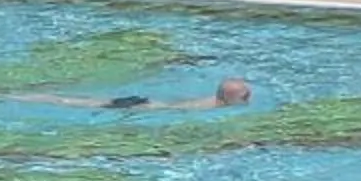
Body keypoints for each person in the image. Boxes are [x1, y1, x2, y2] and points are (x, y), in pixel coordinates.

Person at [20, 78, 254, 112]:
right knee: (74, 103)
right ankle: (27, 97)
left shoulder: (211, 101)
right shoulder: (211, 108)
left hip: (146, 102)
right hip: (144, 107)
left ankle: (33, 95)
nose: (248, 98)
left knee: (79, 101)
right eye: (245, 96)